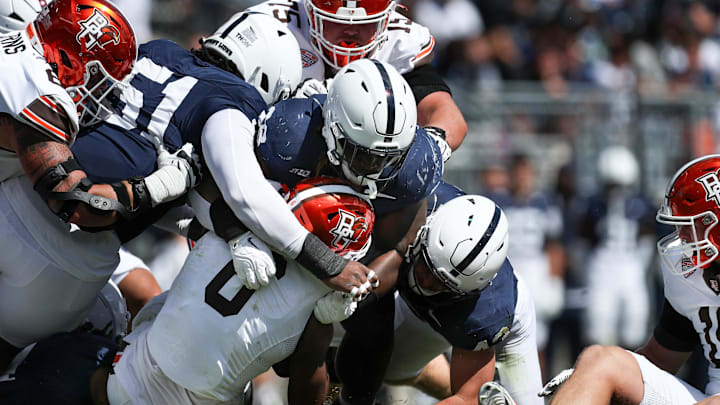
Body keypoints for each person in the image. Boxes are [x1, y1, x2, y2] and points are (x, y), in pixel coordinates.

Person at [0, 0, 181, 373]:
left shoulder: (17, 46)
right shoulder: (38, 93)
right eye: (100, 80)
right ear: (65, 57)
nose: (106, 96)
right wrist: (163, 186)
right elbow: (77, 205)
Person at [252, 57, 444, 404]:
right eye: (364, 155)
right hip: (282, 246)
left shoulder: (412, 166)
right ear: (332, 130)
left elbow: (397, 247)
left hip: (360, 249)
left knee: (374, 327)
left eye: (386, 158)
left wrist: (356, 289)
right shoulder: (292, 136)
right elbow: (244, 199)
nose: (374, 168)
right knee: (280, 355)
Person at [106, 177, 375, 405]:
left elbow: (204, 189)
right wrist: (320, 327)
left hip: (130, 373)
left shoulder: (236, 212)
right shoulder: (315, 304)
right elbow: (305, 398)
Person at [549, 154, 720, 405]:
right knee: (600, 360)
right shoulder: (689, 272)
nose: (680, 237)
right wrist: (588, 381)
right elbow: (661, 359)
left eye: (689, 225)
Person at [379, 182, 543, 405]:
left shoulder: (483, 310)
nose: (425, 282)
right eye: (426, 266)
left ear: (469, 291)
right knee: (389, 368)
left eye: (440, 282)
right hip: (426, 308)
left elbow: (467, 398)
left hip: (479, 314)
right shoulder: (415, 200)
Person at [246, 0, 467, 159]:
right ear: (310, 11)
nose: (351, 30)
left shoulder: (400, 43)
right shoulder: (272, 25)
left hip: (365, 169)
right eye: (335, 21)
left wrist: (421, 152)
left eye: (365, 23)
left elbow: (448, 117)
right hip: (273, 163)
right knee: (296, 126)